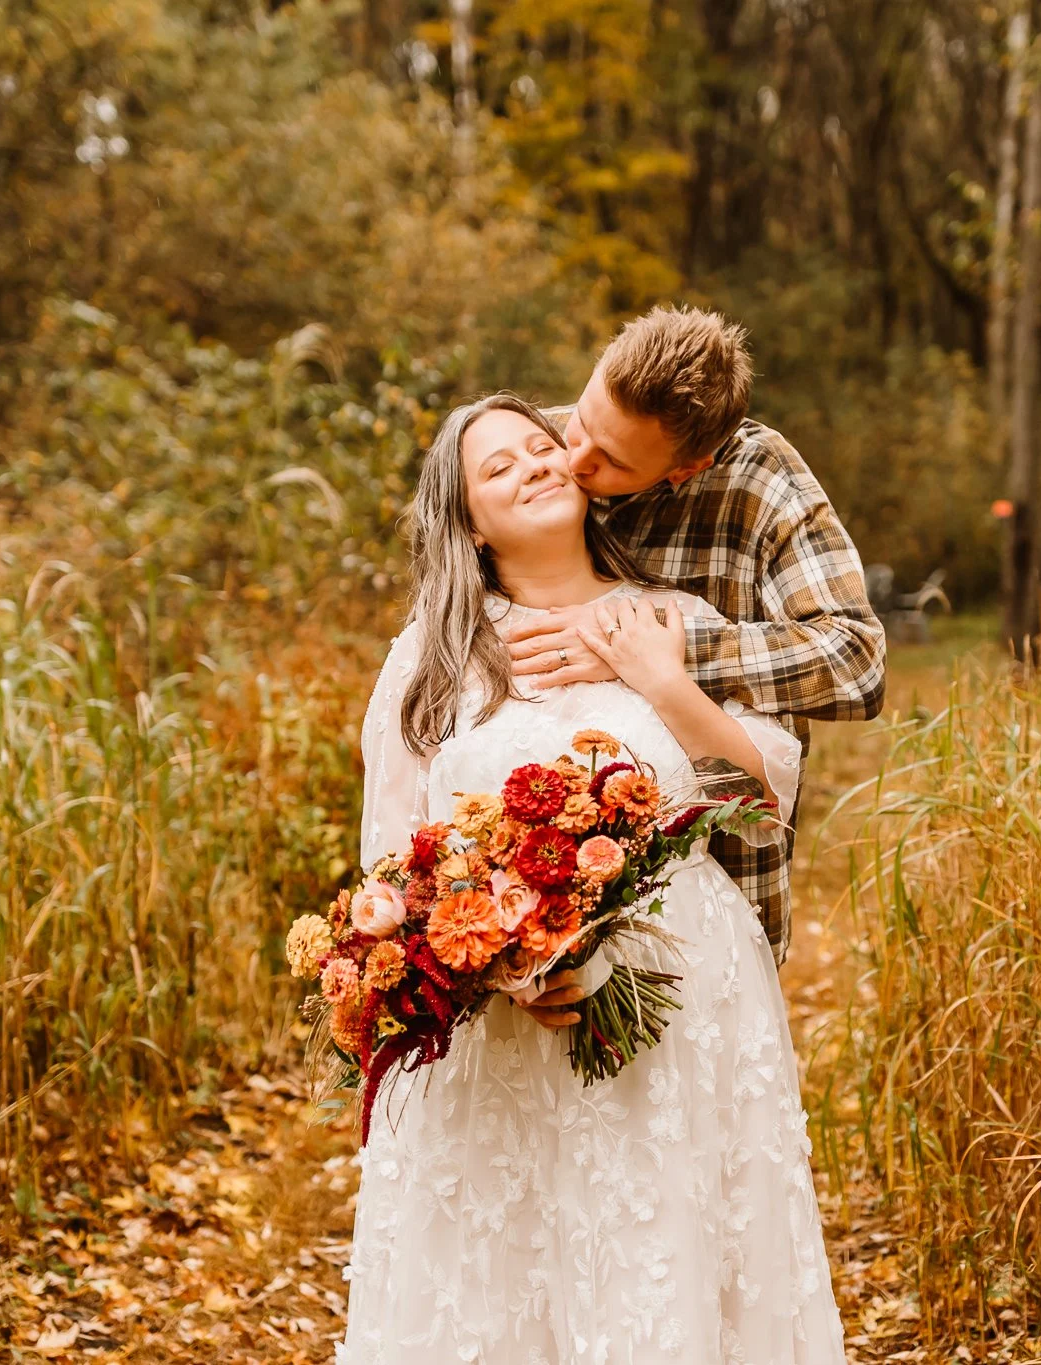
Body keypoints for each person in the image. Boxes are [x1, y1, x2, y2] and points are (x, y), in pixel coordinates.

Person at [338, 394, 847, 1364]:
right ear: (468, 524)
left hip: (686, 999)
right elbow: (395, 869)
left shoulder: (680, 618)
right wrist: (503, 967)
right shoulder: (435, 658)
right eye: (497, 467)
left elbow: (760, 798)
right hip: (506, 1028)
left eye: (541, 445)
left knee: (668, 1254)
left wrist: (657, 675)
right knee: (515, 1269)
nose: (531, 463)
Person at [502, 306, 886, 963]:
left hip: (713, 876)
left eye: (615, 461)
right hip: (534, 882)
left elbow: (857, 659)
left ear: (687, 466)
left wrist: (651, 650)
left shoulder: (758, 479)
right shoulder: (536, 450)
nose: (576, 458)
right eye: (584, 419)